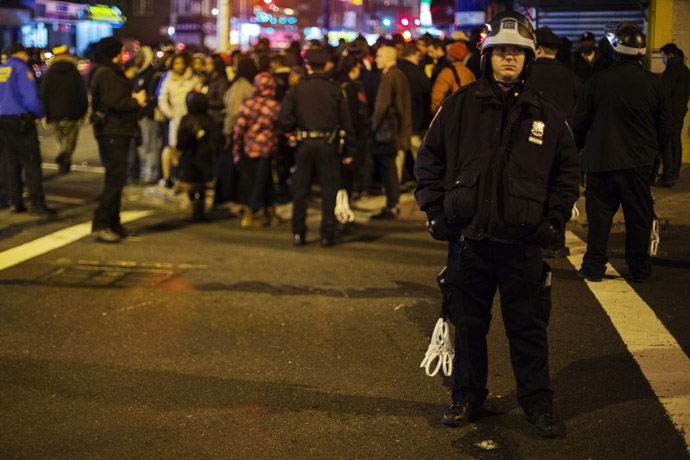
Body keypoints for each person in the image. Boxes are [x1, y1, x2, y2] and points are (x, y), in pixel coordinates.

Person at [414, 11, 580, 438]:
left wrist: (554, 220)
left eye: (517, 53)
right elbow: (428, 161)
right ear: (487, 57)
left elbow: (567, 174)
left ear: (529, 59)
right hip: (469, 241)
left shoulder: (547, 113)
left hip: (523, 244)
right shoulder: (459, 105)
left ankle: (538, 406)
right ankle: (466, 397)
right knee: (468, 327)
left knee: (528, 329)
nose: (509, 59)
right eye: (501, 51)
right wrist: (433, 210)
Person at [572, 22, 669, 283]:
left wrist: (573, 157)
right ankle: (639, 269)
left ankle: (593, 267)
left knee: (600, 219)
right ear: (641, 52)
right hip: (638, 164)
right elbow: (665, 128)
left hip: (600, 162)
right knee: (639, 219)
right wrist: (657, 157)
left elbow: (578, 124)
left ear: (616, 49)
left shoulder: (596, 82)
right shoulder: (654, 84)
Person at [278, 48, 355, 247]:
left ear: (308, 65)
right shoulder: (334, 88)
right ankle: (327, 233)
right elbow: (346, 121)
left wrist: (294, 130)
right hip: (328, 144)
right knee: (329, 189)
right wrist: (349, 150)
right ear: (326, 65)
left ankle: (299, 232)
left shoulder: (297, 89)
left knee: (300, 189)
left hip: (304, 143)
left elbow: (284, 120)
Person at [529, 29, 584, 259]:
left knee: (530, 189)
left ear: (537, 48)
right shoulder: (571, 76)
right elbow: (581, 111)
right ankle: (555, 242)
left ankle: (531, 240)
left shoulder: (527, 73)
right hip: (562, 142)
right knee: (559, 190)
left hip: (530, 142)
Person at [88, 36, 147, 242]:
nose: (124, 56)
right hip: (113, 131)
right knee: (115, 179)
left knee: (118, 178)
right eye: (122, 51)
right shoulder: (106, 73)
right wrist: (135, 100)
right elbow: (115, 102)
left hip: (116, 130)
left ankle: (114, 222)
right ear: (114, 54)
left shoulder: (106, 71)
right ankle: (102, 223)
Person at [0, 43, 55, 215]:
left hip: (4, 120)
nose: (26, 57)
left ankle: (15, 202)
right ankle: (37, 203)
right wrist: (39, 113)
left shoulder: (2, 69)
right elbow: (30, 97)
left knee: (12, 162)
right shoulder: (21, 69)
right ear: (20, 54)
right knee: (31, 161)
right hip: (21, 120)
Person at [233, 72, 282, 228]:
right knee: (263, 180)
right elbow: (281, 127)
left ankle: (266, 212)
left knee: (255, 180)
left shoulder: (248, 104)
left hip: (249, 149)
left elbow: (239, 128)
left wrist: (236, 147)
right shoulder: (275, 106)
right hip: (267, 149)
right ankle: (254, 211)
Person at [370, 45, 412, 219]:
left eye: (379, 56)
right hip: (398, 130)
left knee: (389, 170)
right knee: (392, 169)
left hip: (389, 131)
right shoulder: (399, 75)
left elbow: (382, 105)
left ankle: (391, 205)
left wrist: (374, 125)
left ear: (388, 58)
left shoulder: (389, 76)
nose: (376, 59)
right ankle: (393, 204)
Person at [41, 44, 88, 175]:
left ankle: (63, 160)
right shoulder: (73, 71)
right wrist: (83, 111)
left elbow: (45, 94)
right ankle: (64, 157)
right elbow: (81, 93)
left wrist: (46, 113)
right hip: (72, 112)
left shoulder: (50, 73)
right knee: (70, 140)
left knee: (60, 138)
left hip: (55, 114)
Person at [157, 52, 203, 186]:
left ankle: (186, 178)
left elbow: (199, 96)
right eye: (176, 63)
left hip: (191, 120)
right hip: (176, 119)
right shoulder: (168, 80)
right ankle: (175, 177)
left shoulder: (192, 79)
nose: (179, 66)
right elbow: (162, 99)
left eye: (182, 63)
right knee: (174, 148)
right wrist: (170, 113)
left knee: (189, 149)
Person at [176, 90, 221, 221]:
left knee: (191, 183)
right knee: (202, 184)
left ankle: (193, 206)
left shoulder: (186, 120)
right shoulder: (209, 119)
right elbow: (217, 136)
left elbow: (181, 140)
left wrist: (180, 150)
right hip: (205, 157)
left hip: (190, 157)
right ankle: (200, 206)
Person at [655, 43, 690, 187]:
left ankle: (667, 177)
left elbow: (664, 92)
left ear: (669, 55)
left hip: (670, 112)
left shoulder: (672, 70)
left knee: (668, 143)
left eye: (663, 56)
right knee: (676, 141)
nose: (662, 60)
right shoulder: (685, 70)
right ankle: (674, 172)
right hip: (680, 111)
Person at [397, 43, 431, 181]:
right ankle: (424, 182)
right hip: (416, 120)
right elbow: (428, 92)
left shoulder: (396, 70)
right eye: (418, 56)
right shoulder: (417, 73)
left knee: (399, 155)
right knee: (419, 155)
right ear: (412, 55)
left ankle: (395, 187)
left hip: (399, 120)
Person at [131, 46, 159, 184]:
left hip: (148, 115)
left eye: (140, 55)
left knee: (150, 145)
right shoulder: (139, 74)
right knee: (143, 145)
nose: (137, 58)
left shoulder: (150, 74)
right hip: (141, 116)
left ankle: (152, 174)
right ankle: (145, 173)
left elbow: (151, 97)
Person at [430, 41, 476, 114]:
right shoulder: (468, 72)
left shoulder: (447, 73)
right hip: (466, 112)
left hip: (451, 113)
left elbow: (437, 99)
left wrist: (434, 112)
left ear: (451, 54)